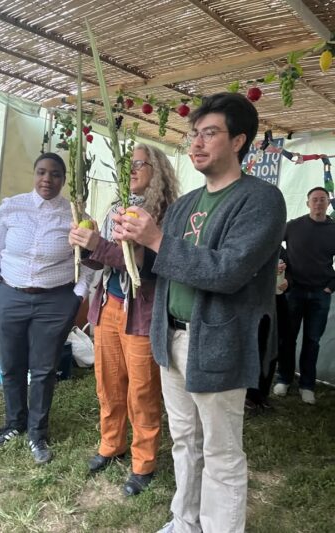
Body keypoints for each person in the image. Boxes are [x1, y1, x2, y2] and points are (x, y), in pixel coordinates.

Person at [111, 93, 286, 533]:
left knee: (221, 451)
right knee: (185, 440)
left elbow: (228, 271)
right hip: (170, 338)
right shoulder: (185, 204)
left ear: (238, 141)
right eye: (195, 134)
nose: (196, 143)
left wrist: (155, 239)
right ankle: (184, 521)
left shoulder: (261, 200)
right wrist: (125, 243)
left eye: (210, 133)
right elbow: (161, 266)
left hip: (218, 343)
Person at [69, 144, 179, 496]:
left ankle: (143, 462)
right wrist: (86, 247)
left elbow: (148, 268)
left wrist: (98, 245)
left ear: (156, 169)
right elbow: (103, 261)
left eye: (138, 163)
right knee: (108, 382)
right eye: (125, 163)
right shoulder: (117, 208)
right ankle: (111, 444)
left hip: (142, 311)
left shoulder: (165, 214)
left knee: (142, 390)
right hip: (108, 306)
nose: (130, 169)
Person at [0, 152, 93, 464]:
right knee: (11, 364)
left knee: (44, 369)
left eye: (55, 174)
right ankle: (14, 423)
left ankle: (37, 433)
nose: (48, 179)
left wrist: (78, 295)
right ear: (34, 174)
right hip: (9, 296)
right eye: (42, 172)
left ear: (64, 179)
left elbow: (89, 260)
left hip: (55, 301)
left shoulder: (75, 215)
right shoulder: (11, 207)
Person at [273, 187, 335, 405]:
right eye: (314, 199)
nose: (318, 203)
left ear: (328, 203)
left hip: (321, 294)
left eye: (322, 199)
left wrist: (331, 286)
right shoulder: (293, 226)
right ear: (308, 203)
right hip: (294, 292)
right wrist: (282, 265)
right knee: (287, 338)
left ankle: (307, 385)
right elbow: (272, 242)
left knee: (312, 340)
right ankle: (284, 378)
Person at [245, 253, 289, 412]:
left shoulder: (280, 250)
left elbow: (291, 271)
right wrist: (268, 273)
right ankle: (248, 395)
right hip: (252, 304)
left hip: (275, 304)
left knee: (271, 347)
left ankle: (262, 393)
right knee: (253, 347)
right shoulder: (250, 245)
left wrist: (287, 282)